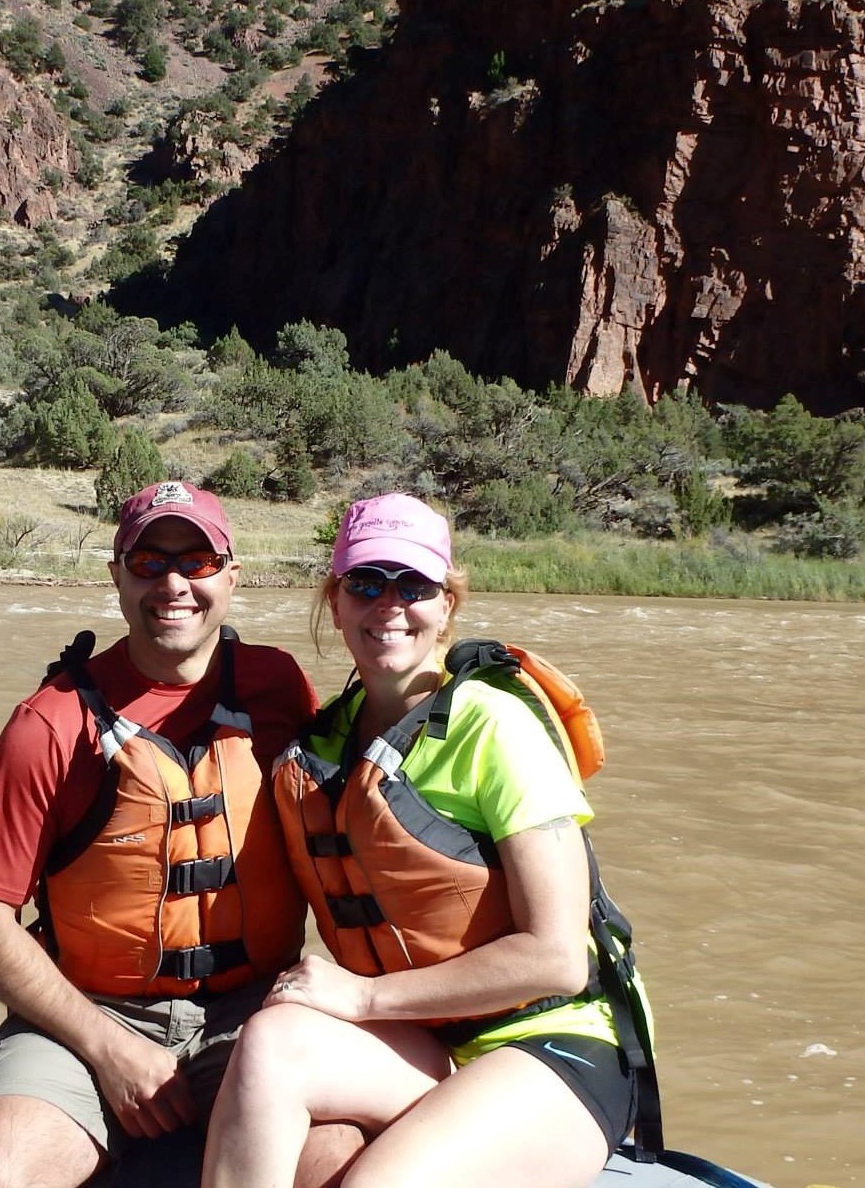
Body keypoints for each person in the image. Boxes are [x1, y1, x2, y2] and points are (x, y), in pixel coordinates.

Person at [201, 492, 651, 1188]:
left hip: (553, 1041)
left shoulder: (494, 726)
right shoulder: (323, 740)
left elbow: (557, 957)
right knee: (271, 1044)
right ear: (336, 599)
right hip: (429, 1040)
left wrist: (363, 999)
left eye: (414, 585)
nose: (389, 604)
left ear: (447, 604)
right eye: (365, 583)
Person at [0, 480, 335, 1188]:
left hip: (254, 1009)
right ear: (117, 575)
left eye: (198, 561)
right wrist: (106, 1047)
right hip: (90, 1012)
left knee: (339, 1163)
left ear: (233, 575)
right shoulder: (48, 724)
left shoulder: (277, 686)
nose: (175, 583)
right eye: (149, 561)